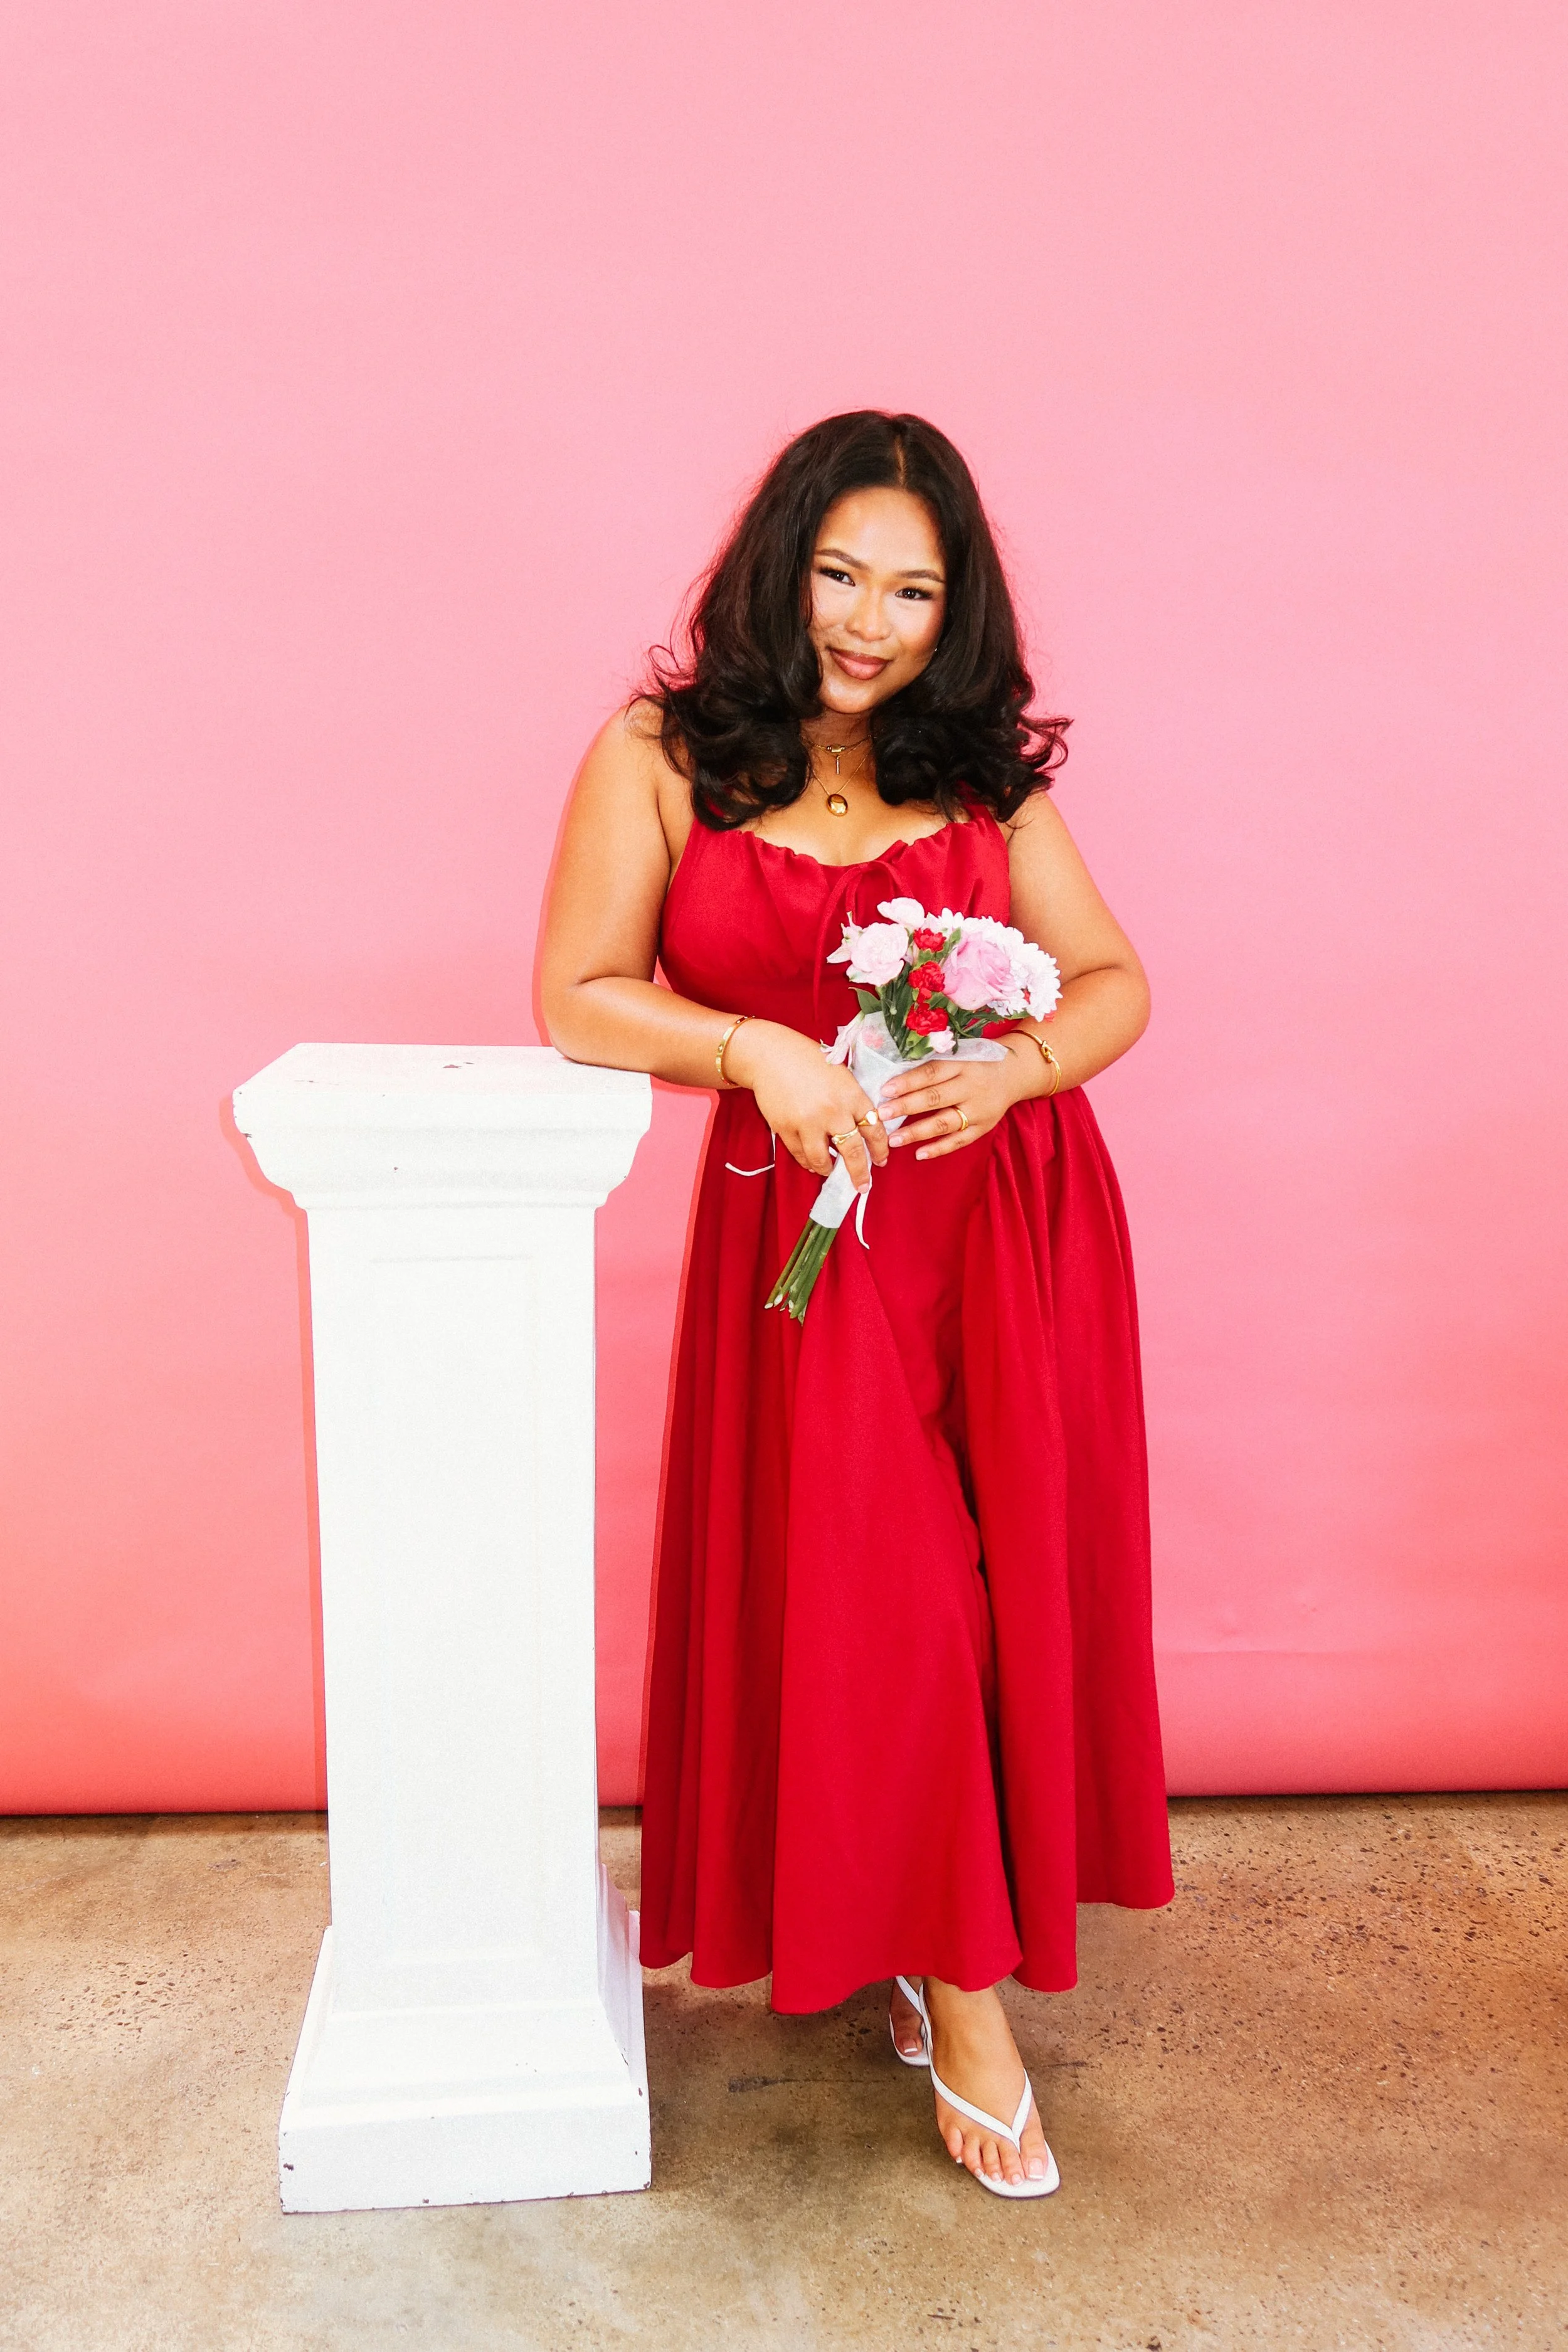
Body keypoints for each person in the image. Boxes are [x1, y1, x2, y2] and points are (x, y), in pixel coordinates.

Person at [540, 410, 1173, 2198]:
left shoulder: (981, 774)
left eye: (911, 587)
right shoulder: (665, 752)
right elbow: (580, 994)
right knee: (877, 1599)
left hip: (999, 1230)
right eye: (838, 574)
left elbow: (1119, 980)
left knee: (980, 1607)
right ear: (777, 565)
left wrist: (1022, 1066)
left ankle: (926, 1933)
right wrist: (749, 1045)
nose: (868, 620)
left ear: (953, 604)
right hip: (804, 1251)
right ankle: (968, 2008)